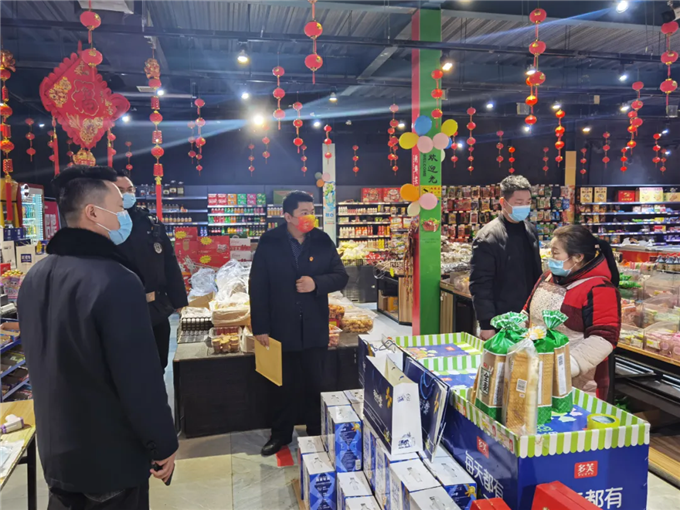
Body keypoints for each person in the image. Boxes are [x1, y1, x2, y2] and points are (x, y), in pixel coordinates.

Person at [17, 166, 178, 510]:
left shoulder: (34, 277)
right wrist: (162, 443)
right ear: (93, 212)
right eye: (119, 208)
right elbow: (139, 379)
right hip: (110, 458)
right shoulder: (116, 280)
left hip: (57, 456)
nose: (125, 216)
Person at [249, 191, 349, 456]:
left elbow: (341, 276)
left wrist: (316, 283)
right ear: (288, 216)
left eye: (312, 211)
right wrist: (260, 326)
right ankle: (280, 434)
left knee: (315, 382)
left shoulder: (322, 240)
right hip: (280, 326)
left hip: (314, 326)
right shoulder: (270, 241)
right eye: (304, 213)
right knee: (281, 385)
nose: (310, 217)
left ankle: (316, 430)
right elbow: (257, 285)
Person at [524, 225, 621, 400]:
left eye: (555, 253)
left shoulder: (600, 288)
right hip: (535, 371)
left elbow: (603, 338)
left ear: (577, 257)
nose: (551, 258)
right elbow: (527, 312)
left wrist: (565, 368)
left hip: (576, 383)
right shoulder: (547, 277)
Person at [114, 168, 188, 370]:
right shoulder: (103, 226)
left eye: (130, 189)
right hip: (119, 312)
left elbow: (169, 263)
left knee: (158, 363)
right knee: (127, 368)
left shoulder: (150, 223)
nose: (127, 195)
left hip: (155, 309)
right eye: (120, 190)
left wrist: (180, 302)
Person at [469, 175, 542, 340]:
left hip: (528, 315)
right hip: (501, 317)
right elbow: (480, 284)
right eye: (519, 202)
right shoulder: (488, 237)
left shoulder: (530, 230)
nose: (524, 207)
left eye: (528, 202)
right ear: (503, 202)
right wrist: (486, 324)